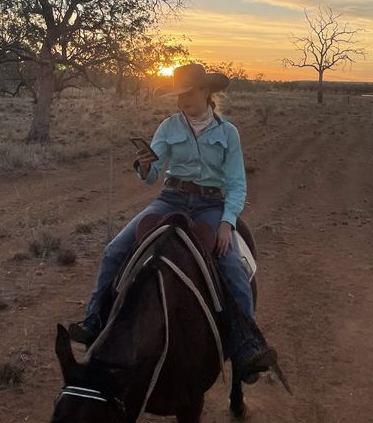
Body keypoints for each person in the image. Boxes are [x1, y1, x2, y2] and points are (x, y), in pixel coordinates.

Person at [69, 62, 278, 382]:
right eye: (178, 94)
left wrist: (227, 222)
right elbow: (152, 175)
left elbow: (236, 183)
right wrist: (142, 165)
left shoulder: (228, 133)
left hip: (210, 204)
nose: (182, 100)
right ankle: (94, 320)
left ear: (206, 91)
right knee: (114, 249)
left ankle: (245, 345)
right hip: (170, 199)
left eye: (189, 93)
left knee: (233, 266)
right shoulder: (168, 127)